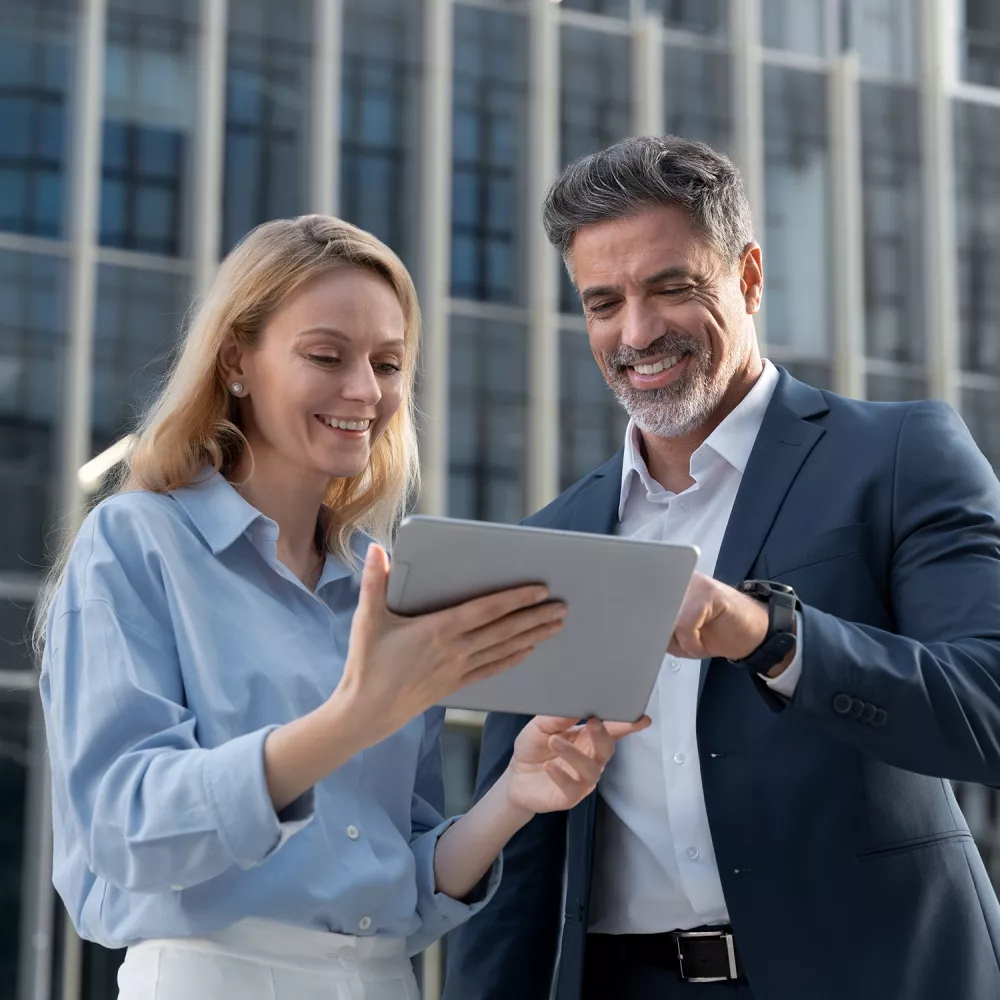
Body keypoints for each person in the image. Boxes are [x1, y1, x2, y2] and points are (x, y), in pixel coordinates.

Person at [443, 136, 1000, 1000]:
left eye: (671, 287)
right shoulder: (555, 536)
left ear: (747, 277)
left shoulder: (898, 455)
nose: (636, 332)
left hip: (877, 975)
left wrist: (767, 635)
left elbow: (988, 705)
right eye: (603, 302)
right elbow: (525, 858)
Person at [35, 215, 647, 1000]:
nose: (366, 391)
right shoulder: (137, 543)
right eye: (326, 356)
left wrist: (516, 796)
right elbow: (127, 830)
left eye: (389, 364)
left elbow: (402, 883)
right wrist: (353, 717)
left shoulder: (380, 587)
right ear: (236, 361)